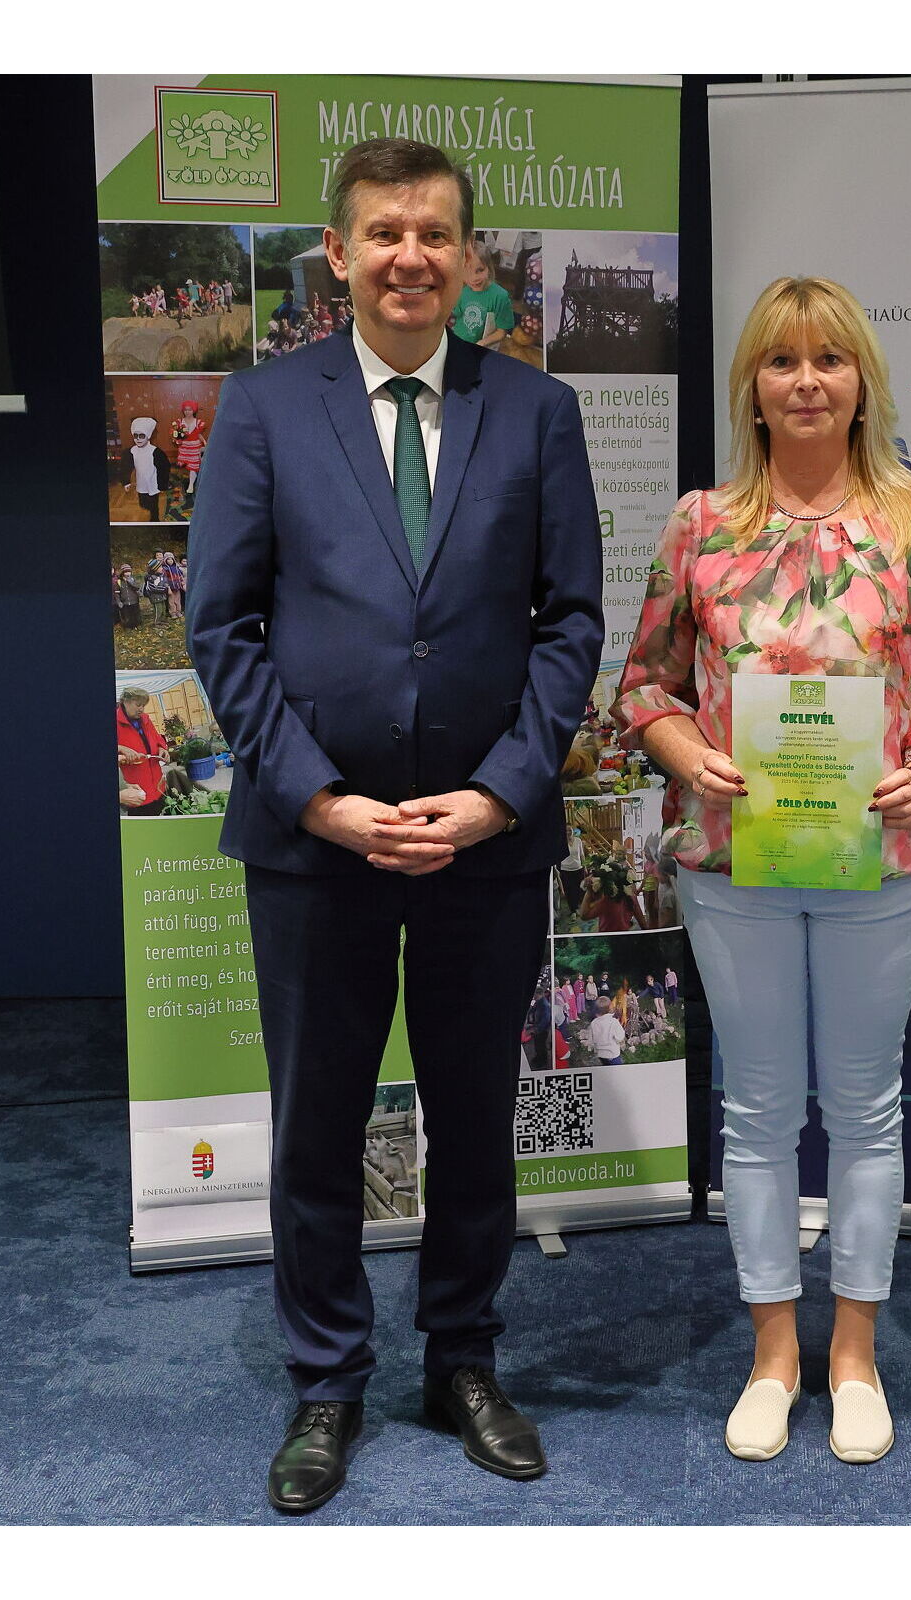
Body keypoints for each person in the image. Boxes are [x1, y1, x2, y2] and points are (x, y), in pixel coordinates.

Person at [187, 136, 602, 1514]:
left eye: (434, 234)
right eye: (384, 234)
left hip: (486, 842)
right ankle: (327, 1380)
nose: (410, 257)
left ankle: (463, 1361)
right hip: (317, 842)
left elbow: (570, 624)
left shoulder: (535, 410)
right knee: (317, 1125)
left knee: (475, 1119)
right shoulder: (263, 407)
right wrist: (320, 795)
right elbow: (223, 625)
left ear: (468, 256)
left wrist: (499, 794)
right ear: (338, 253)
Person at [613, 275, 911, 1464]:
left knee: (867, 1106)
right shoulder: (699, 525)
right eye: (782, 361)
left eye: (828, 359)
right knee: (759, 1109)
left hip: (878, 861)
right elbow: (645, 684)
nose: (806, 381)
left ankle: (855, 1357)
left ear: (860, 381)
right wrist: (686, 750)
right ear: (752, 387)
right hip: (734, 861)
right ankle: (775, 1354)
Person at [451, 239, 514, 349]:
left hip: (482, 348)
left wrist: (482, 343)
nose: (474, 278)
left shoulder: (500, 296)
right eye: (466, 272)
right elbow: (456, 315)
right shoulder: (461, 291)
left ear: (489, 268)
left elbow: (502, 331)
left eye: (480, 270)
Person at [116, 688, 169, 815]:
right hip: (137, 791)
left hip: (158, 785)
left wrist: (162, 749)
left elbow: (157, 738)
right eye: (138, 704)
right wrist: (121, 748)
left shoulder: (145, 719)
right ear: (125, 702)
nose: (141, 709)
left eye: (143, 705)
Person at [586, 996, 625, 1065]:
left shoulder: (594, 1022)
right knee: (617, 1069)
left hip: (600, 1054)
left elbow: (591, 1038)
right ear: (609, 1009)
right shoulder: (613, 1022)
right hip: (612, 1054)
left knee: (606, 1066)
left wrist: (591, 1047)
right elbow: (620, 1037)